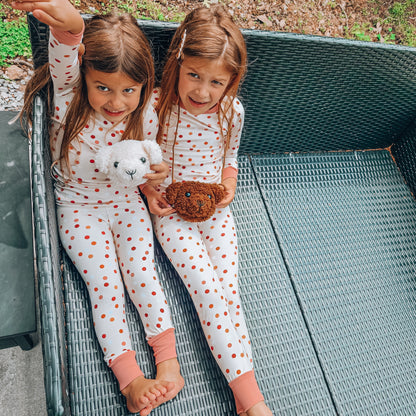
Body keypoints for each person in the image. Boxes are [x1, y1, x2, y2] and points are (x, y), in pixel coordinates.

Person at [11, 0, 184, 414]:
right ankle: (130, 378)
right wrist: (71, 29)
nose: (116, 101)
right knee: (106, 288)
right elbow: (65, 57)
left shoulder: (143, 117)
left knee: (143, 276)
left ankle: (169, 363)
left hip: (126, 207)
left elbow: (145, 170)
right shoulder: (69, 99)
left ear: (143, 87)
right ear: (86, 79)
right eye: (103, 87)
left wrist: (154, 182)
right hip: (79, 207)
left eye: (129, 90)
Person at [142, 5, 273, 416]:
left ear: (232, 80)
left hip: (215, 211)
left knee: (230, 293)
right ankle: (255, 404)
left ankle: (242, 397)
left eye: (216, 81)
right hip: (172, 215)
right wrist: (149, 191)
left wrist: (230, 185)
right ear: (178, 65)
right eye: (194, 75)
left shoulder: (232, 113)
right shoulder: (157, 108)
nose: (202, 91)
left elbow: (229, 158)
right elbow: (138, 163)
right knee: (208, 291)